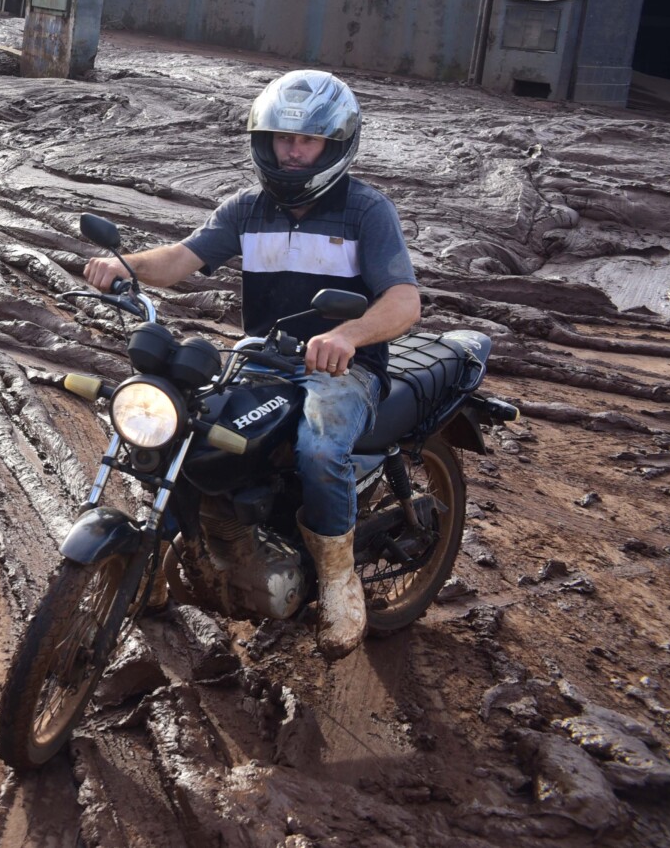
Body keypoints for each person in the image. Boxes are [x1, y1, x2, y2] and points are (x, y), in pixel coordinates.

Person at [82, 69, 420, 658]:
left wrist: (348, 335)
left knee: (318, 449)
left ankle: (340, 585)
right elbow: (182, 258)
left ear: (334, 145)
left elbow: (404, 300)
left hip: (345, 370)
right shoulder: (247, 208)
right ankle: (168, 551)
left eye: (308, 140)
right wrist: (126, 266)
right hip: (264, 361)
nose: (293, 151)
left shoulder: (366, 210)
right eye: (282, 138)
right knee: (181, 427)